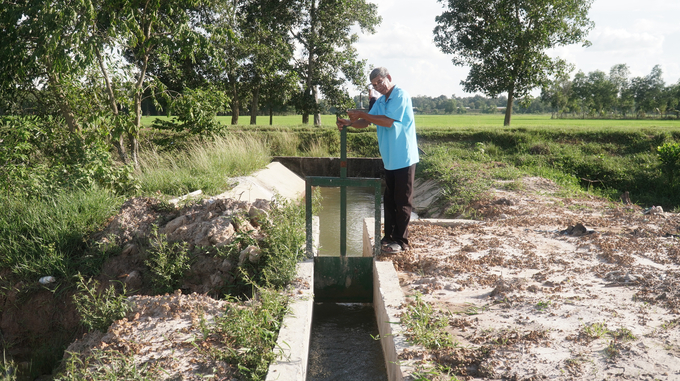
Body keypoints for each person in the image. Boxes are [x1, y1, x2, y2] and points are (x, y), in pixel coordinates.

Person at [336, 67, 419, 254]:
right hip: (390, 158)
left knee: (402, 201)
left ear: (389, 77)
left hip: (404, 156)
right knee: (389, 199)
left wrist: (363, 114)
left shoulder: (400, 95)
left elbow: (388, 121)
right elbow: (366, 122)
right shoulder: (380, 101)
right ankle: (388, 236)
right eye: (374, 85)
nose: (378, 87)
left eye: (380, 82)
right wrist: (349, 123)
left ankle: (401, 241)